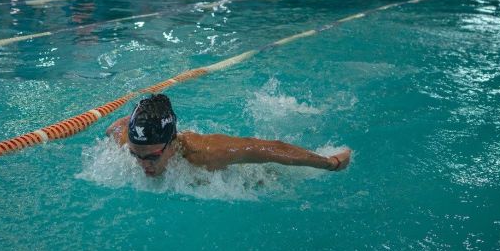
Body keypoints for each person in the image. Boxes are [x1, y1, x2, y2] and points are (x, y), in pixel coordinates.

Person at [106, 94, 352, 177]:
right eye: (135, 155)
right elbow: (116, 128)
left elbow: (266, 148)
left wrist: (329, 163)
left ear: (172, 142)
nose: (141, 164)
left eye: (151, 157)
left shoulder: (206, 153)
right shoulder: (132, 141)